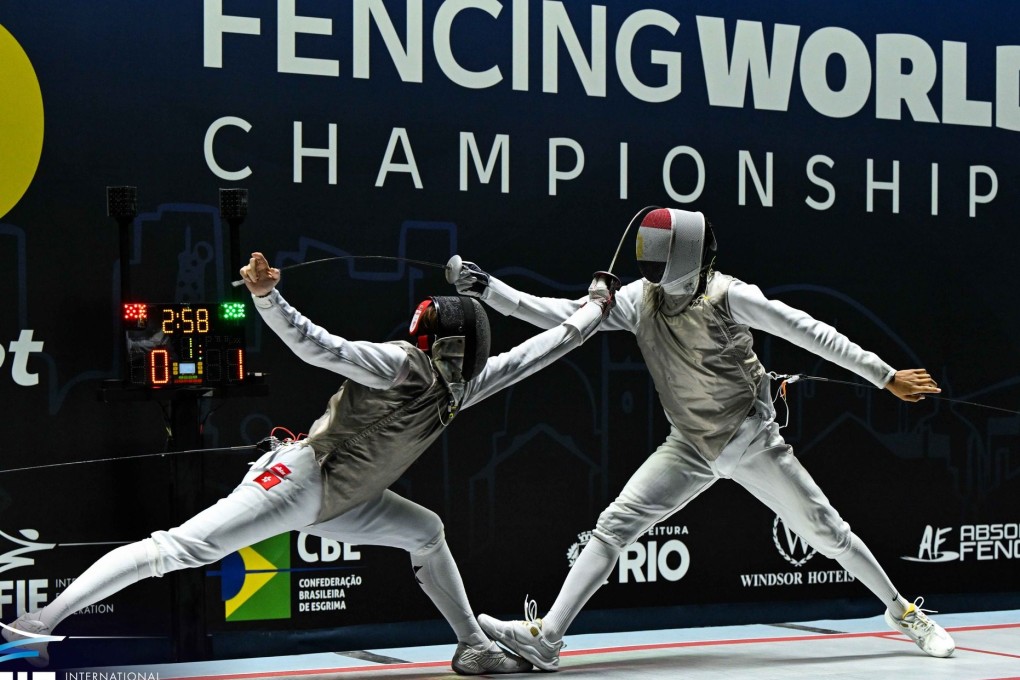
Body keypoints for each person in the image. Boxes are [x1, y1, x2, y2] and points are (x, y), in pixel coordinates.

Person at [3, 252, 618, 673]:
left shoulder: (461, 387)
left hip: (346, 499)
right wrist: (267, 298)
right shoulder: (401, 366)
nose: (467, 363)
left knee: (426, 532)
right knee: (178, 548)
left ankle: (472, 648)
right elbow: (320, 348)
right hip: (301, 479)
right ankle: (40, 620)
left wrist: (594, 307)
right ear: (465, 346)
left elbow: (546, 347)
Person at [449, 207, 955, 671]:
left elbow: (812, 332)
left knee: (828, 532)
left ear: (682, 256)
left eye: (658, 252)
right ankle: (548, 638)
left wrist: (885, 376)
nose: (649, 260)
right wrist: (490, 289)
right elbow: (564, 315)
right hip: (689, 445)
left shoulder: (730, 295)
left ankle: (903, 611)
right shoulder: (639, 299)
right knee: (614, 524)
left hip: (751, 440)